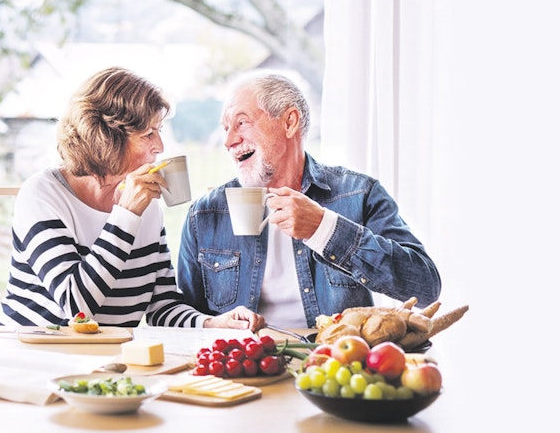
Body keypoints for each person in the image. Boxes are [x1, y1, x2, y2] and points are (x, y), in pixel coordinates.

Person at [0, 66, 264, 331]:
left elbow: (162, 306)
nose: (160, 146)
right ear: (106, 137)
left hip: (105, 363)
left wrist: (212, 323)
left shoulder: (145, 205)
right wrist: (126, 215)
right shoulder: (43, 194)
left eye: (159, 131)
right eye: (148, 134)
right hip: (29, 358)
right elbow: (77, 307)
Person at [177, 71, 441, 328]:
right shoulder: (205, 214)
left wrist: (325, 229)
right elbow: (183, 318)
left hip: (334, 364)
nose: (229, 141)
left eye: (241, 123)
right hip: (244, 367)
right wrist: (210, 324)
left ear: (290, 122)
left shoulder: (359, 194)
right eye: (225, 129)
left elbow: (426, 286)